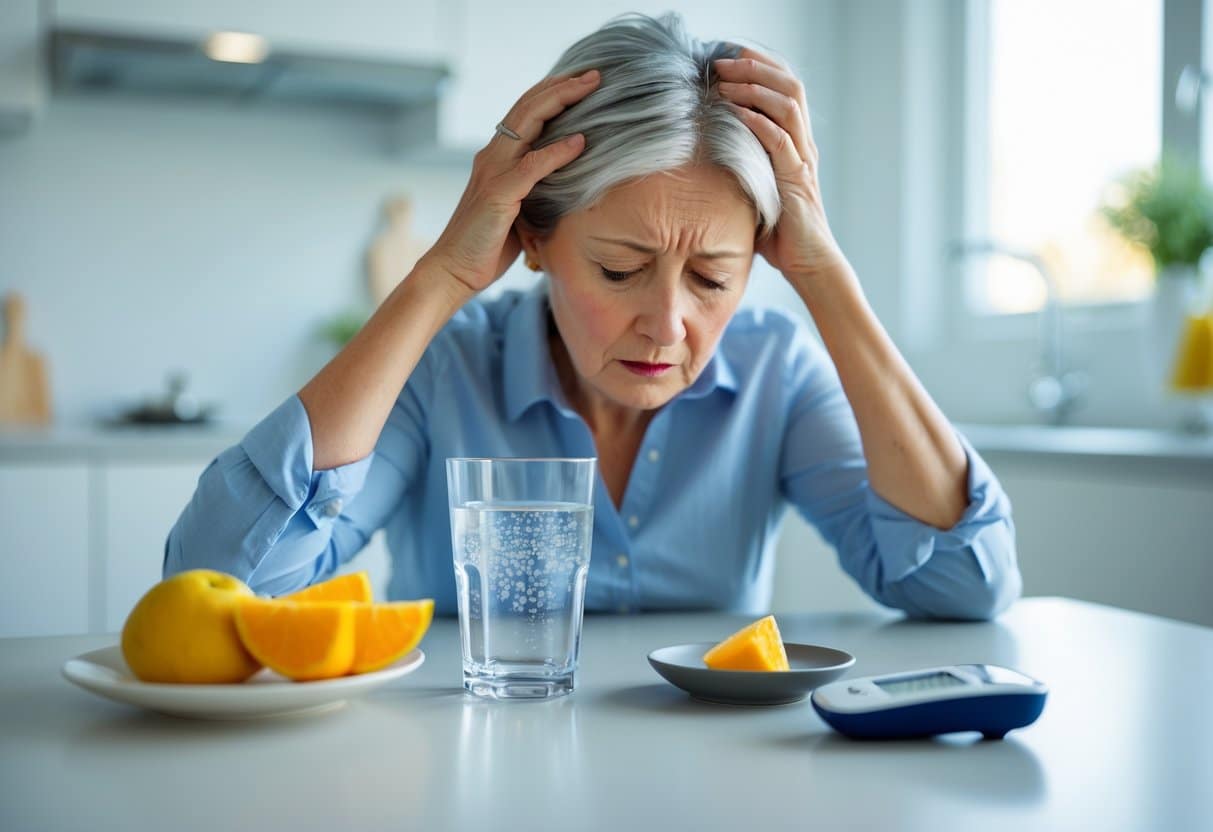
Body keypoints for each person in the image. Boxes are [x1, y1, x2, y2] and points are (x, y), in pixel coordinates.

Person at [164, 12, 1021, 620]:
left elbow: (964, 584)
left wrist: (823, 272)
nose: (666, 324)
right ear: (533, 237)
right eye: (620, 269)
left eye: (714, 279)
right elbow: (219, 586)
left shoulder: (775, 369)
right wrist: (441, 276)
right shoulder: (447, 369)